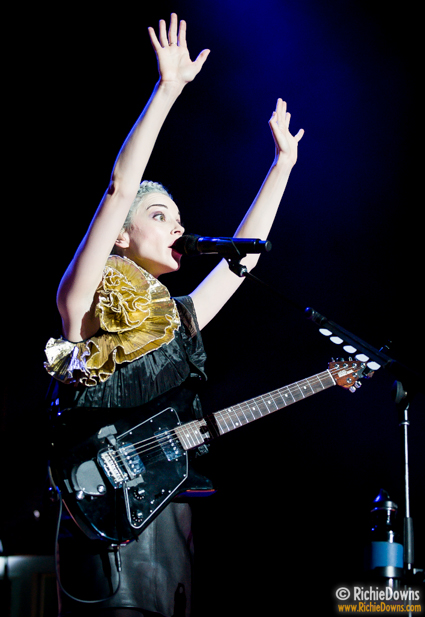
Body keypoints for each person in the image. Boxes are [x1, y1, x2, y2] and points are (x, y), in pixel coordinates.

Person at [44, 13, 304, 617]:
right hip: (107, 532)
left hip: (172, 526)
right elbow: (120, 188)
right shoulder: (83, 302)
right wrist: (166, 92)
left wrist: (282, 167)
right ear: (121, 235)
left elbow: (240, 265)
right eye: (159, 216)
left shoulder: (177, 322)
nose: (177, 227)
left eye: (178, 218)